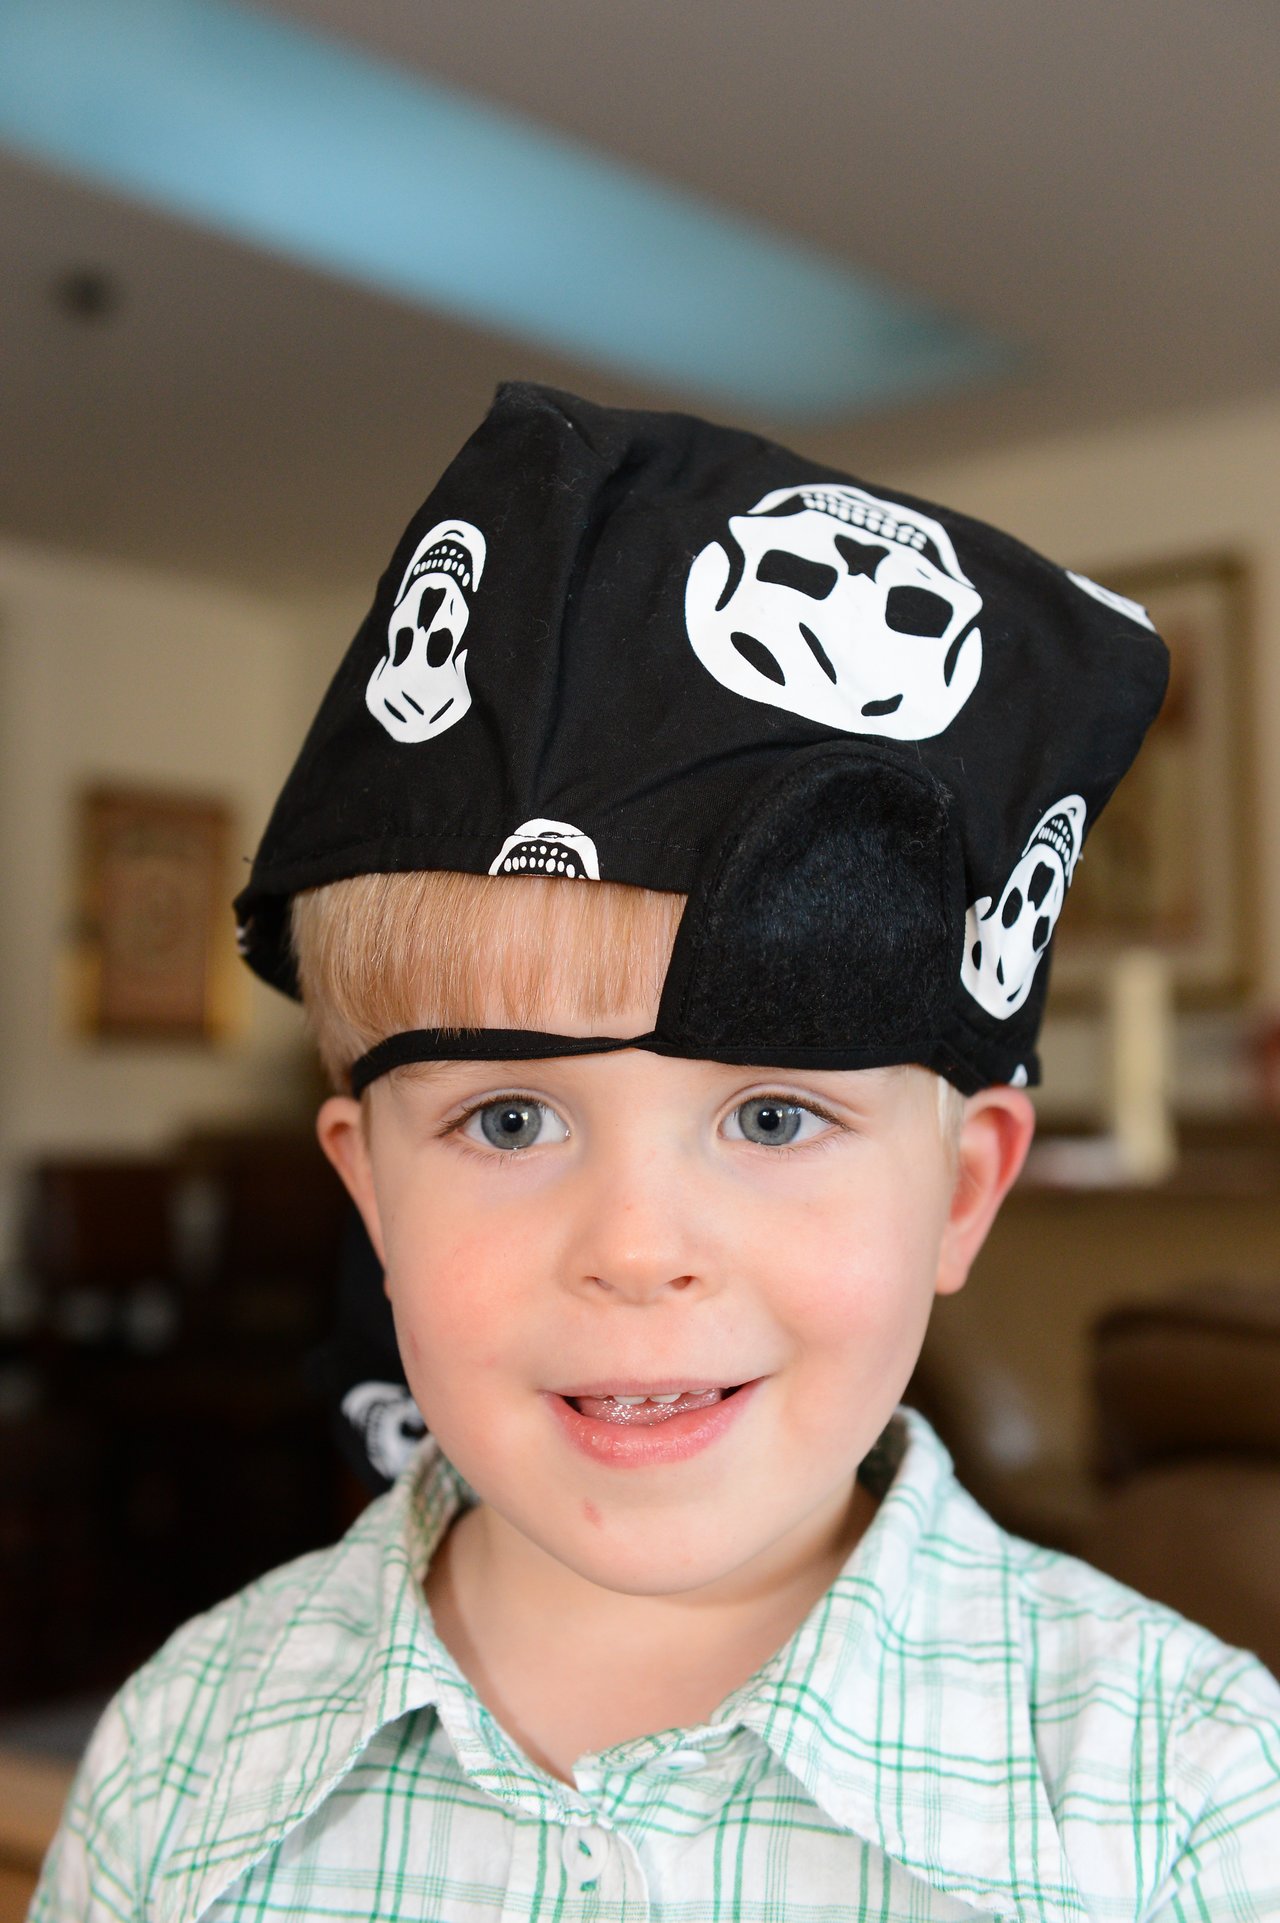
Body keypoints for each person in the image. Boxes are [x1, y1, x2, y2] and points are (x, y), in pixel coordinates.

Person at [33, 384, 1280, 1920]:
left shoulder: (1195, 1799)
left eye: (771, 1117)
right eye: (508, 1118)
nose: (634, 1245)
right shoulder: (188, 1751)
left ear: (960, 1191)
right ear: (368, 1188)